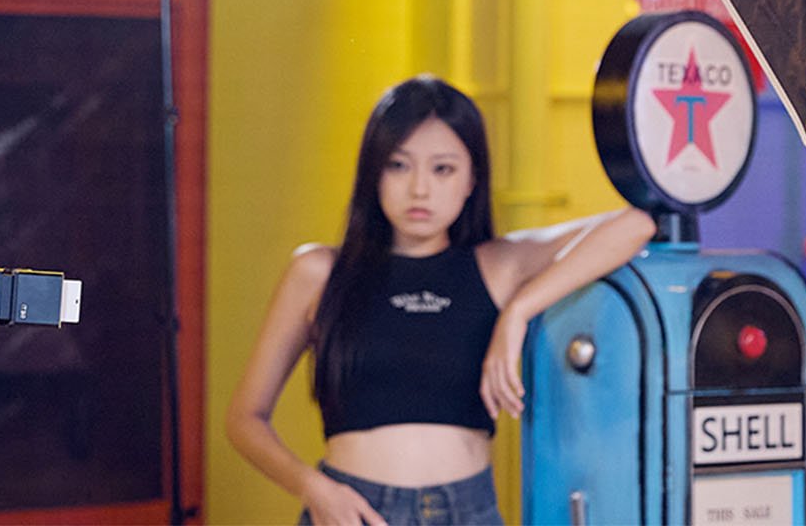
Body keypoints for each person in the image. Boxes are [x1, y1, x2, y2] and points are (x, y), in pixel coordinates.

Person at [227, 75, 656, 525]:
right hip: (352, 512)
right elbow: (245, 418)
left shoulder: (498, 267)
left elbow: (637, 224)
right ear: (373, 173)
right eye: (398, 165)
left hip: (466, 513)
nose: (419, 189)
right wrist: (315, 489)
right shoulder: (318, 273)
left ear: (472, 179)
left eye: (442, 169)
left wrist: (518, 311)